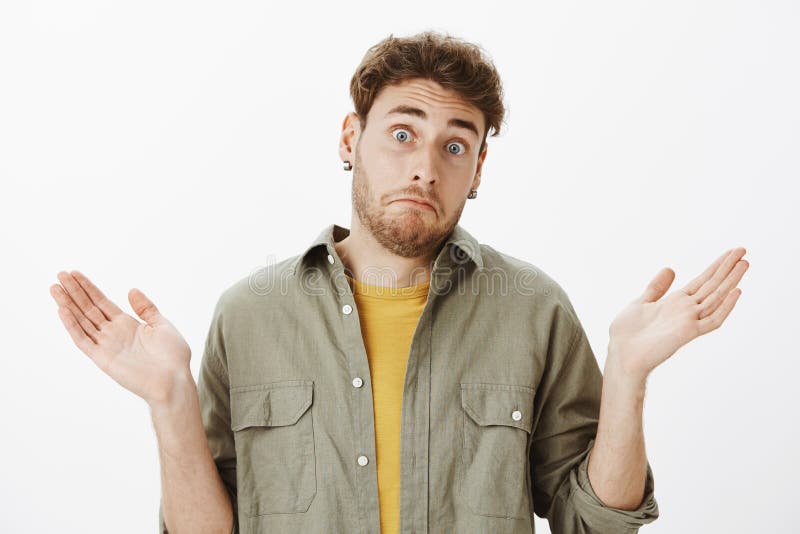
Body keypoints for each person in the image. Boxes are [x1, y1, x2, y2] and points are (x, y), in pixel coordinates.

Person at [50, 30, 748, 534]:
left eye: (455, 145)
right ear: (351, 138)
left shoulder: (535, 310)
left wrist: (627, 375)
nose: (425, 168)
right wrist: (170, 399)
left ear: (477, 172)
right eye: (402, 134)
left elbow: (593, 523)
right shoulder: (249, 315)